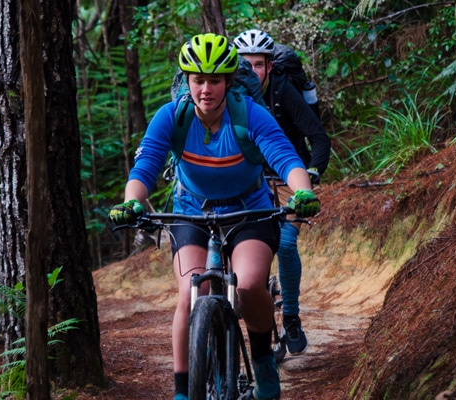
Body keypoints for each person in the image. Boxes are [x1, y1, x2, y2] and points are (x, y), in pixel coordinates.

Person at [109, 33, 320, 400]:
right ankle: (182, 392)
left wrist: (302, 192)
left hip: (248, 209)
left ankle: (265, 368)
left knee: (252, 283)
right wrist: (132, 203)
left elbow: (287, 160)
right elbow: (145, 169)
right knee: (191, 296)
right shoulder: (172, 116)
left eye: (215, 80)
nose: (206, 89)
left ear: (228, 81)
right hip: (192, 210)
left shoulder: (250, 113)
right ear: (187, 81)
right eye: (198, 80)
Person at [233, 29, 331, 356]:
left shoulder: (282, 92)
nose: (251, 70)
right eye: (245, 64)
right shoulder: (229, 96)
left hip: (289, 177)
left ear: (270, 67)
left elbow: (318, 137)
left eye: (258, 64)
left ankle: (290, 315)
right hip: (249, 181)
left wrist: (312, 172)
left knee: (286, 244)